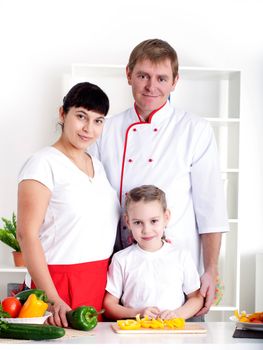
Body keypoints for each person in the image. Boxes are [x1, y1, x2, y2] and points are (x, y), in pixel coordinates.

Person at [89, 39, 229, 318]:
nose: (152, 87)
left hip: (180, 273)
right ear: (128, 74)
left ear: (175, 81)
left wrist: (211, 269)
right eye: (143, 76)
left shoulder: (195, 129)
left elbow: (210, 207)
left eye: (162, 78)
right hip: (122, 269)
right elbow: (93, 198)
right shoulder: (107, 129)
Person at [16, 82, 120, 327]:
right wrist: (51, 298)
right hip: (57, 285)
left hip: (98, 284)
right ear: (63, 113)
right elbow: (26, 234)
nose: (89, 129)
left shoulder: (98, 165)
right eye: (81, 116)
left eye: (98, 121)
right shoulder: (42, 164)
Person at [103, 185, 204, 320]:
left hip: (173, 333)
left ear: (166, 217)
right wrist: (136, 313)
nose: (146, 230)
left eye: (154, 221)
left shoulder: (181, 256)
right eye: (138, 222)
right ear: (128, 222)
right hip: (134, 334)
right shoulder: (121, 259)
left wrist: (177, 315)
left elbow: (196, 298)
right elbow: (109, 305)